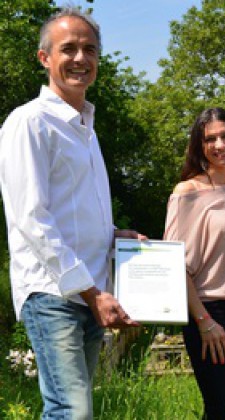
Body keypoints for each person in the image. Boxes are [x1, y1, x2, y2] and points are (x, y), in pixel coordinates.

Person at [0, 8, 146, 418]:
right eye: (68, 49)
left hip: (90, 291)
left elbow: (74, 210)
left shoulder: (86, 129)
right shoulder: (29, 122)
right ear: (44, 58)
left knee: (72, 410)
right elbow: (31, 217)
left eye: (90, 49)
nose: (81, 58)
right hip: (54, 292)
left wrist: (114, 234)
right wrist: (92, 293)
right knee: (72, 411)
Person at [164, 107, 225, 419]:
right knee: (220, 406)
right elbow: (174, 264)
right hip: (208, 311)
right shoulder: (187, 192)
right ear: (199, 145)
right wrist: (204, 322)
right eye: (210, 139)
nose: (219, 145)